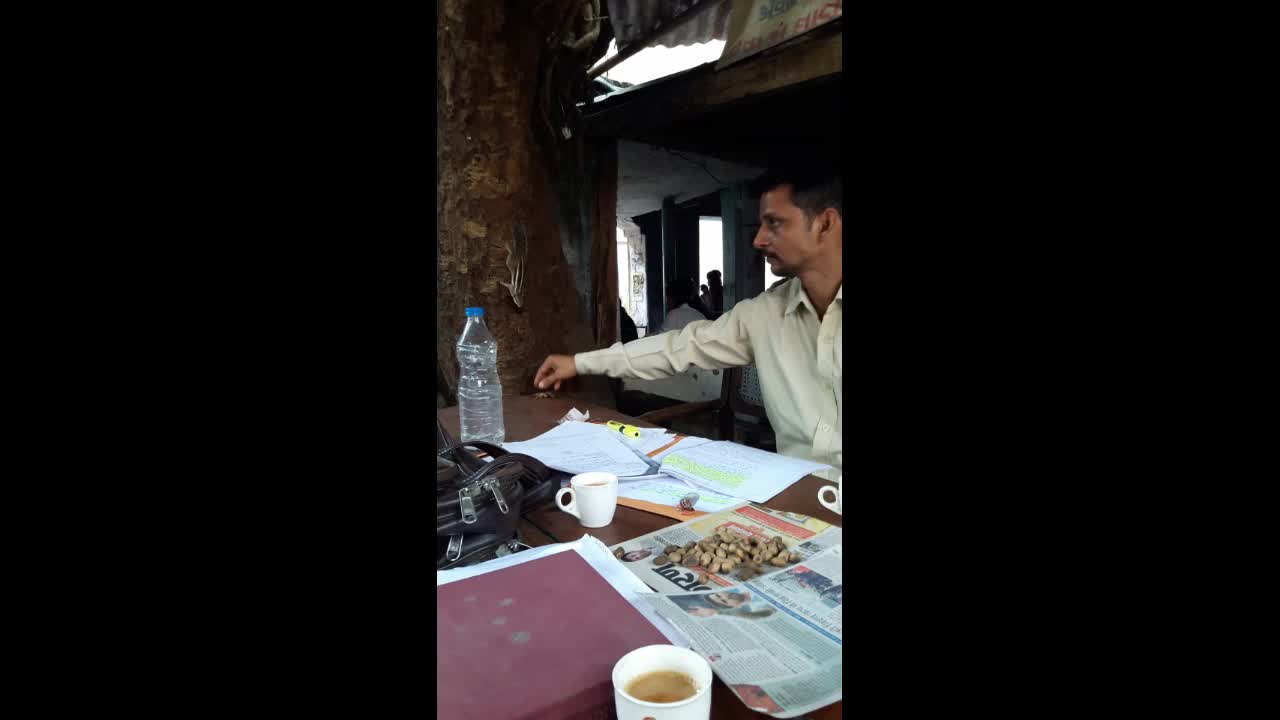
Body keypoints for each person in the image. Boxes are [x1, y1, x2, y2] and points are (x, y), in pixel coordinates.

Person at [534, 168, 843, 478]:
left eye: (774, 223)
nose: (758, 239)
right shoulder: (765, 314)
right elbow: (678, 348)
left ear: (824, 224)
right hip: (800, 498)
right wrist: (580, 362)